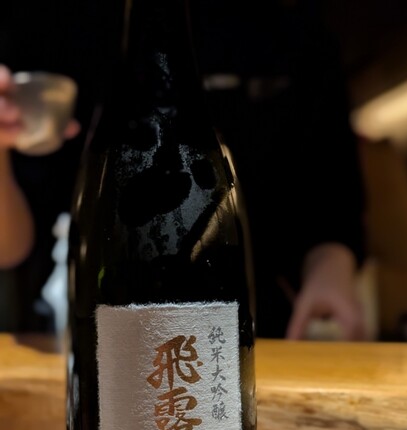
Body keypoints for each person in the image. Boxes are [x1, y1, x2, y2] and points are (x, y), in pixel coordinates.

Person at [0, 0, 367, 340]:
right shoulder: (53, 20)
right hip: (84, 330)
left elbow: (333, 197)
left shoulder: (292, 24)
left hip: (254, 331)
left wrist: (329, 273)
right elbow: (11, 247)